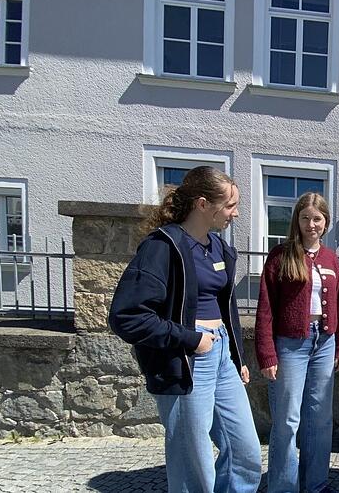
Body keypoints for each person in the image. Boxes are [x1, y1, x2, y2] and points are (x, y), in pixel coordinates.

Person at [108, 166, 261, 493]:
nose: (236, 213)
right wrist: (191, 340)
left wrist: (238, 356)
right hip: (188, 359)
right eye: (230, 205)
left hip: (222, 357)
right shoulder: (163, 247)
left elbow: (227, 307)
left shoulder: (219, 248)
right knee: (194, 463)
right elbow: (127, 315)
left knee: (245, 451)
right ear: (203, 204)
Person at [255, 192, 339, 493]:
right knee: (287, 418)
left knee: (320, 418)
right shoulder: (281, 255)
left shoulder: (332, 258)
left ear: (326, 222)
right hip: (290, 344)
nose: (311, 224)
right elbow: (265, 306)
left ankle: (315, 484)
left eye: (317, 219)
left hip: (325, 342)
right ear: (297, 219)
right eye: (305, 218)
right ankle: (283, 487)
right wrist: (266, 352)